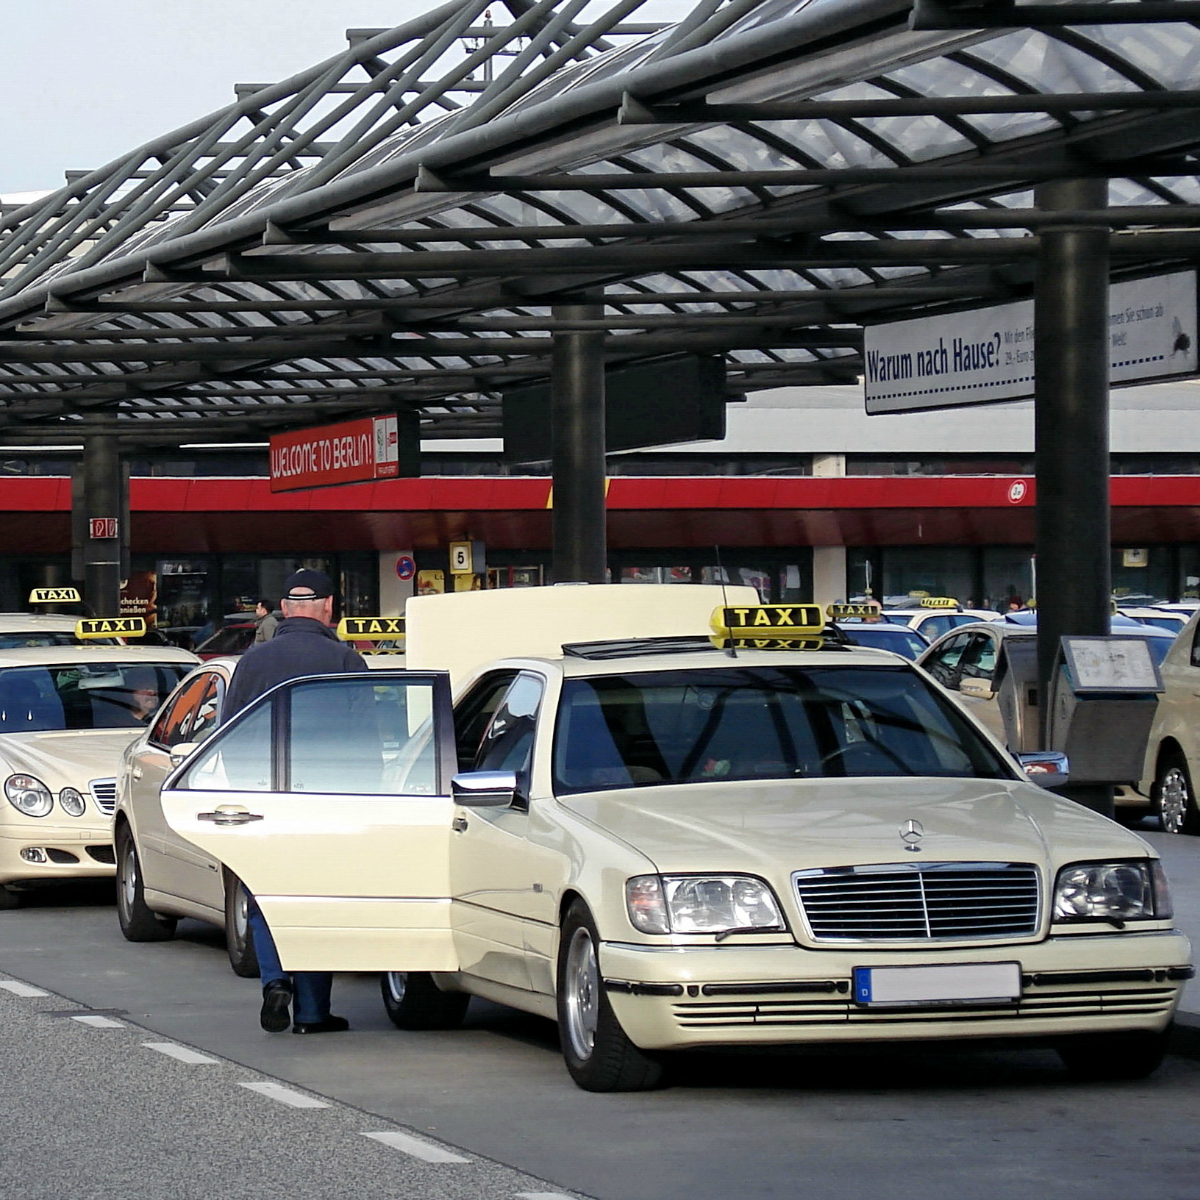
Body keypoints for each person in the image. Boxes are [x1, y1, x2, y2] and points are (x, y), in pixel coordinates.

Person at [223, 568, 368, 1036]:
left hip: (263, 797)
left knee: (266, 893)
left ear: (284, 609)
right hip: (327, 801)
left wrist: (243, 793)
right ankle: (311, 1013)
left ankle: (274, 980)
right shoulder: (345, 659)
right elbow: (371, 740)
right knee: (316, 898)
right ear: (329, 607)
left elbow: (228, 737)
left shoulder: (252, 662)